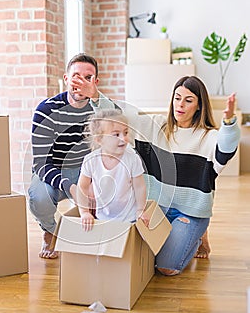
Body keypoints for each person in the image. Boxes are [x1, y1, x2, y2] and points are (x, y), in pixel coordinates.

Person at [134, 75, 240, 276]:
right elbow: (125, 116)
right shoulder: (158, 127)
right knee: (144, 257)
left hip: (190, 213)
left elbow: (226, 149)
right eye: (177, 98)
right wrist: (94, 96)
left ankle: (198, 236)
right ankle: (189, 236)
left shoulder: (208, 137)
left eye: (188, 100)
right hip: (159, 207)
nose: (180, 105)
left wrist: (229, 122)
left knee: (166, 268)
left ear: (199, 106)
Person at [28, 53, 116, 259]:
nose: (81, 82)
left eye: (88, 78)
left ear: (96, 82)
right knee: (38, 198)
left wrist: (96, 97)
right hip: (53, 170)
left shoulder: (99, 108)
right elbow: (40, 163)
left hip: (86, 169)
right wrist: (71, 187)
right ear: (67, 79)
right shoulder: (46, 110)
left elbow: (120, 123)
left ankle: (94, 235)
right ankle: (51, 231)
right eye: (76, 76)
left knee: (108, 191)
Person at [77, 109, 149, 230]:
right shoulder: (91, 160)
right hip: (102, 218)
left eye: (125, 133)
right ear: (99, 140)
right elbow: (82, 187)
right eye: (116, 135)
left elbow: (139, 186)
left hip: (129, 218)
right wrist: (84, 212)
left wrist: (140, 210)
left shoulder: (132, 159)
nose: (124, 138)